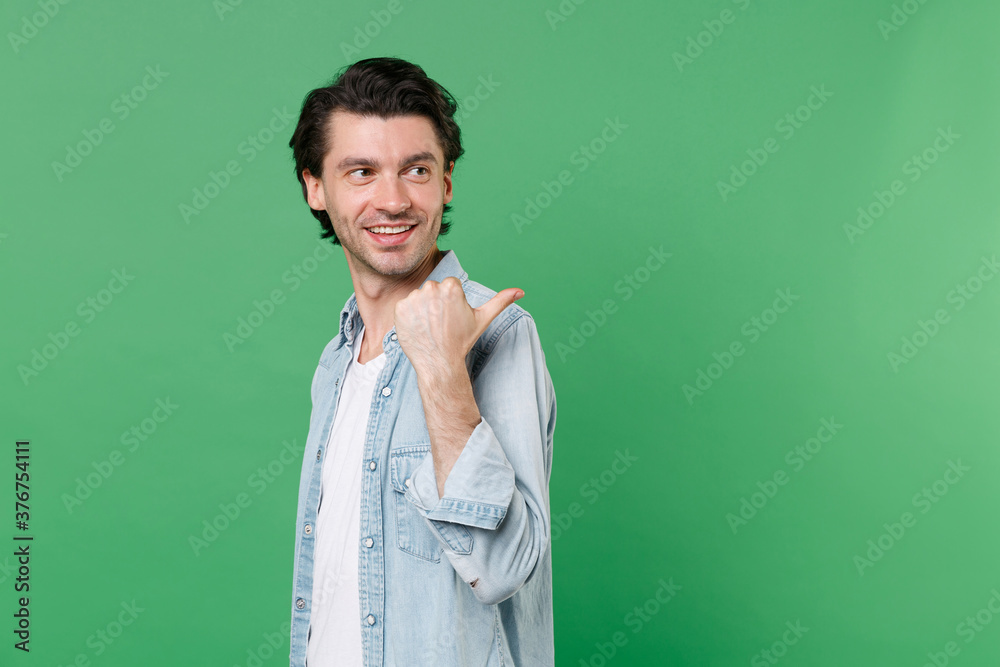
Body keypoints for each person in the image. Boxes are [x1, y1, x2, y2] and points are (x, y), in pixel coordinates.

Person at [285, 57, 557, 666]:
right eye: (361, 172)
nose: (393, 199)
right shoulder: (335, 363)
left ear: (447, 182)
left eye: (416, 169)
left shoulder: (500, 334)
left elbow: (503, 567)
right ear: (316, 188)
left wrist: (440, 369)